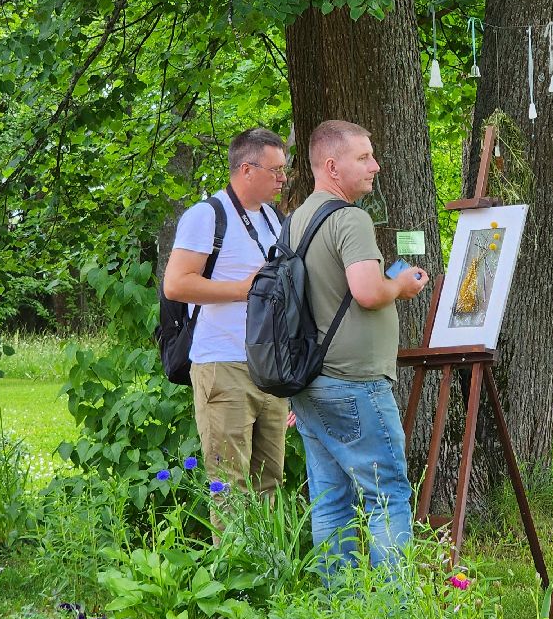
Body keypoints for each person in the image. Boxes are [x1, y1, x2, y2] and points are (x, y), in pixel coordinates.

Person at [286, 120, 428, 579]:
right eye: (363, 157)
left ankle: (340, 611)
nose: (375, 165)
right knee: (387, 495)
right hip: (354, 384)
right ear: (331, 166)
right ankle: (395, 615)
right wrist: (402, 284)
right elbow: (367, 291)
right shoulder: (351, 218)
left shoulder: (295, 221)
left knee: (330, 502)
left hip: (310, 384)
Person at [163, 128, 289, 504]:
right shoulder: (207, 216)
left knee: (270, 484)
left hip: (269, 366)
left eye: (284, 170)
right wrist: (242, 290)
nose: (283, 178)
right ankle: (234, 564)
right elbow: (175, 284)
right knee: (230, 487)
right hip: (222, 363)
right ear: (247, 170)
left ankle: (269, 563)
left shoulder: (273, 219)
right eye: (276, 170)